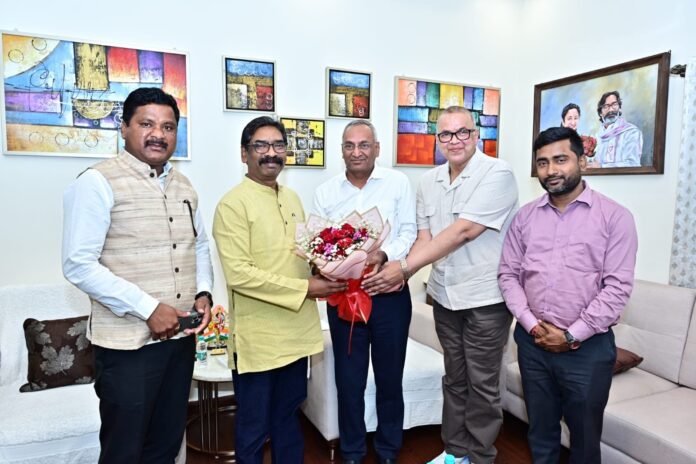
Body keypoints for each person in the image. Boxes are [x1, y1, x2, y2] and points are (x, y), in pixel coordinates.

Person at [62, 87, 214, 463]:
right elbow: (78, 264)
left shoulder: (184, 185)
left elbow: (199, 244)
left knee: (165, 445)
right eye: (146, 124)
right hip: (127, 349)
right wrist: (148, 308)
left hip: (179, 341)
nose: (158, 134)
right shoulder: (97, 181)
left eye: (168, 126)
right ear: (124, 128)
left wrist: (204, 293)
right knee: (124, 451)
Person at [363, 106, 518, 464]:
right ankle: (455, 452)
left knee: (482, 385)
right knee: (454, 378)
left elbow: (463, 232)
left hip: (485, 298)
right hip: (444, 296)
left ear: (476, 135)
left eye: (463, 132)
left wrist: (403, 268)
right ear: (437, 140)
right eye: (446, 134)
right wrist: (399, 272)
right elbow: (424, 238)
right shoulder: (428, 181)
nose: (455, 140)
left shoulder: (498, 173)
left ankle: (479, 457)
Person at [498, 126, 638, 463]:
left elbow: (617, 289)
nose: (551, 170)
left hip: (587, 350)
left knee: (585, 439)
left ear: (582, 162)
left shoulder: (615, 218)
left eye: (561, 159)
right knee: (540, 432)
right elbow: (508, 275)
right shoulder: (525, 217)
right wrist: (531, 324)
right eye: (543, 162)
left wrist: (571, 335)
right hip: (533, 343)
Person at [212, 116, 346, 464]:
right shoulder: (232, 205)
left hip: (296, 334)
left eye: (278, 145)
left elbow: (302, 253)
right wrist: (306, 287)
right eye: (261, 145)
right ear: (244, 154)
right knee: (254, 428)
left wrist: (325, 267)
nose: (271, 153)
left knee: (288, 419)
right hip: (258, 340)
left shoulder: (293, 198)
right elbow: (240, 275)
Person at [312, 120, 417, 464]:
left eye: (364, 145)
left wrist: (383, 254)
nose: (356, 152)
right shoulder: (325, 192)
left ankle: (388, 449)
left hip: (389, 295)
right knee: (349, 381)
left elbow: (409, 231)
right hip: (345, 298)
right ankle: (352, 451)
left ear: (377, 149)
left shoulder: (398, 183)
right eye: (349, 145)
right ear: (341, 150)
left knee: (389, 379)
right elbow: (319, 244)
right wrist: (331, 264)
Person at [594, 90, 643, 167]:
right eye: (606, 106)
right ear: (600, 113)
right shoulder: (597, 137)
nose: (611, 110)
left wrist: (601, 167)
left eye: (614, 104)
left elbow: (633, 164)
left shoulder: (631, 132)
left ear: (619, 108)